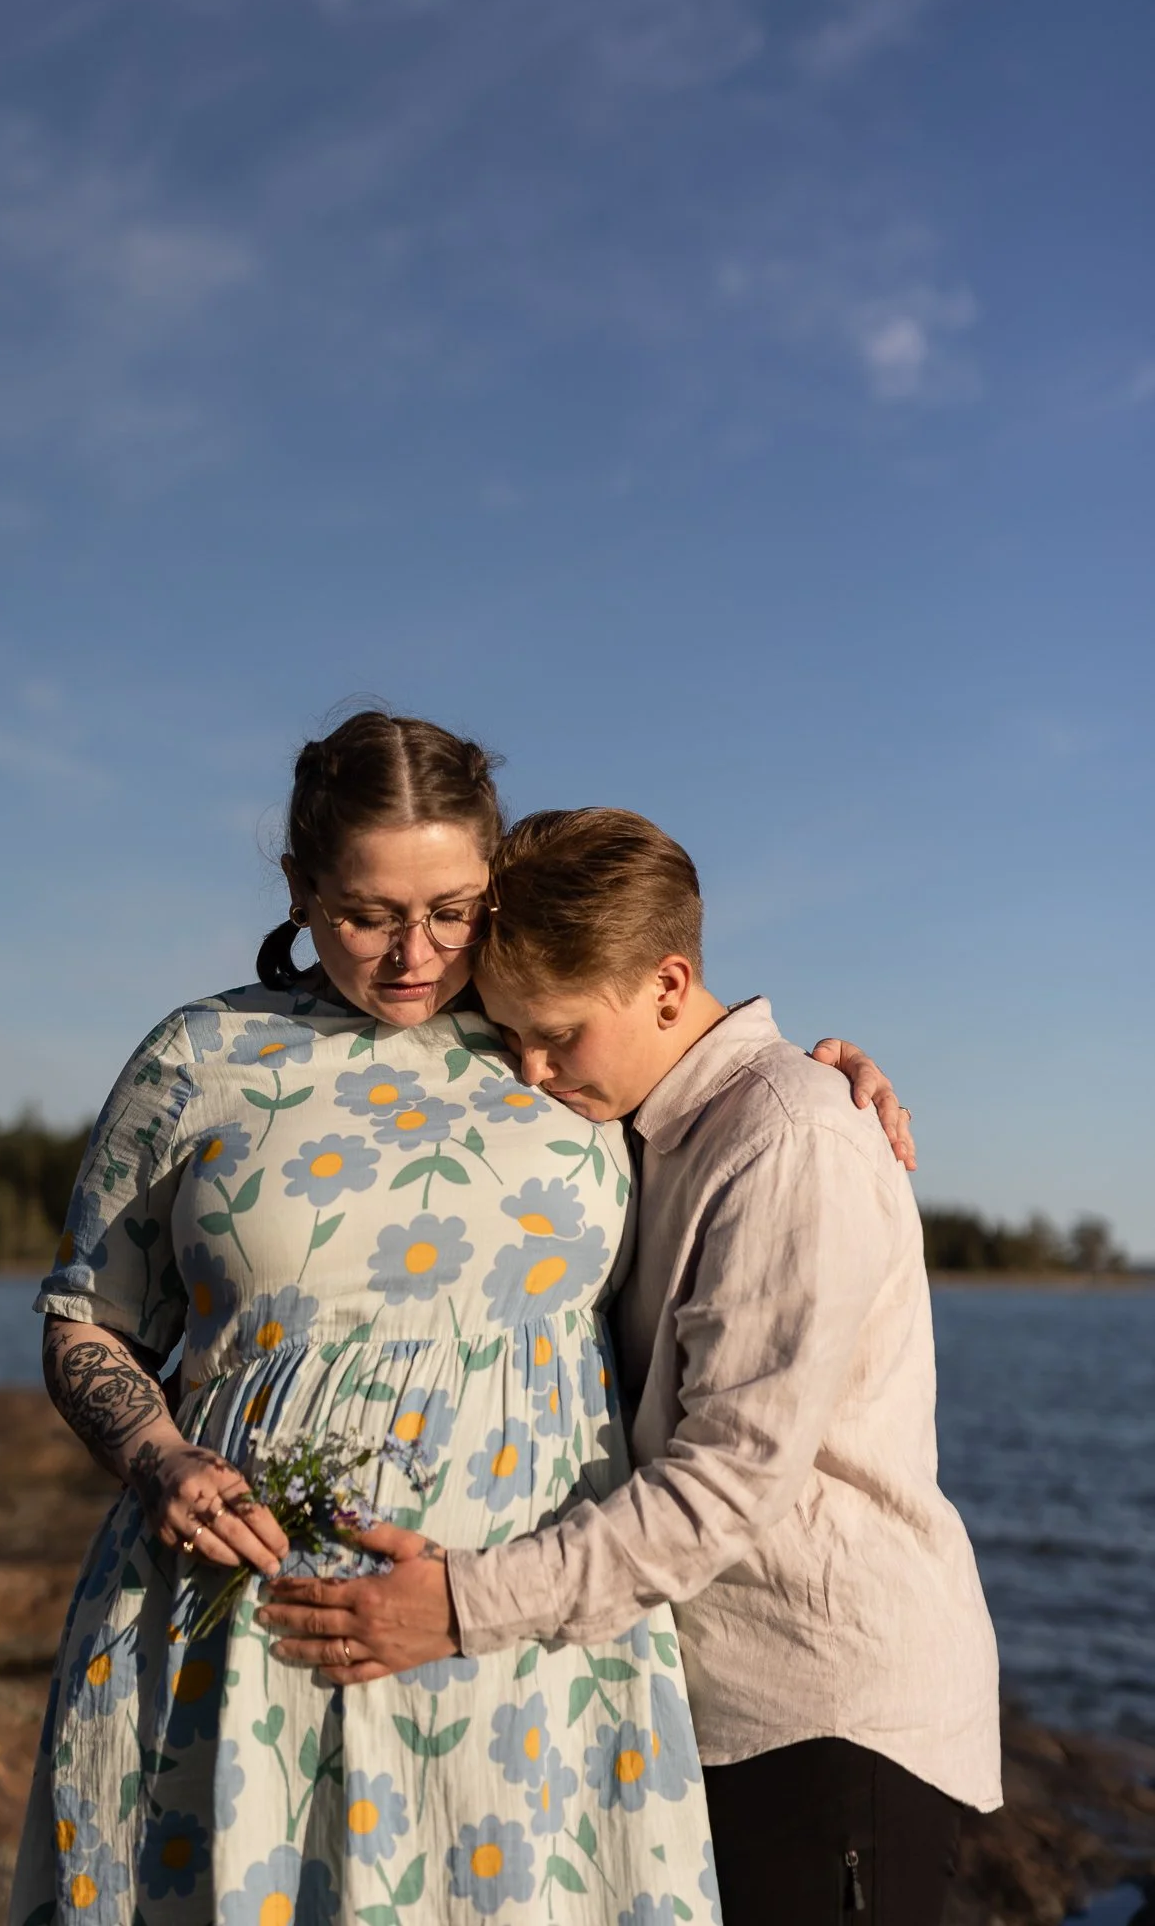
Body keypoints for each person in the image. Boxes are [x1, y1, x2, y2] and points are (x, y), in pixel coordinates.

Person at [9, 718, 907, 1926]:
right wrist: (156, 1451)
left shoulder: (550, 1043)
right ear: (298, 888)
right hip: (236, 1647)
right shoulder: (202, 1057)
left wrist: (829, 1080)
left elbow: (717, 1083)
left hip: (530, 1658)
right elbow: (86, 1318)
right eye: (367, 912)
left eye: (453, 909)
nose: (412, 955)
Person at [259, 807, 1000, 1926]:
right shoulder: (654, 1117)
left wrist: (458, 1606)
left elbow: (727, 1485)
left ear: (668, 983)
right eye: (512, 1036)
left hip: (826, 1719)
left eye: (558, 1034)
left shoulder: (792, 1138)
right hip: (702, 1697)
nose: (533, 1069)